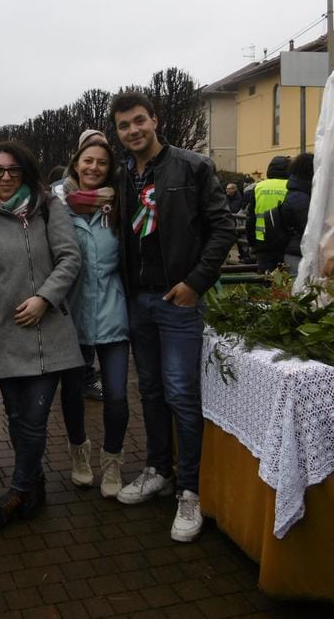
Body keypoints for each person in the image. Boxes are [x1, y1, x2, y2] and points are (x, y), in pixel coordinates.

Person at [111, 91, 236, 542]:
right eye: (124, 126)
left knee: (182, 393)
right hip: (138, 300)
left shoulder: (192, 166)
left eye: (139, 121)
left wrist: (196, 282)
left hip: (177, 300)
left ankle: (190, 489)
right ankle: (159, 469)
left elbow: (222, 227)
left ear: (155, 120)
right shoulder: (122, 175)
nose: (133, 131)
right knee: (150, 390)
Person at [0, 141, 83, 529]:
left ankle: (18, 491)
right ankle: (35, 486)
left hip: (47, 330)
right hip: (3, 332)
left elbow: (70, 258)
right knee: (16, 417)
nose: (5, 177)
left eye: (13, 170)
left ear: (26, 172)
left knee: (34, 418)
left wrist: (44, 299)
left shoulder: (49, 207)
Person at [60, 138, 131, 497]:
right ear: (76, 164)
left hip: (112, 312)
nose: (94, 168)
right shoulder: (58, 207)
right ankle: (79, 453)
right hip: (70, 315)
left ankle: (113, 461)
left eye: (102, 163)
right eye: (88, 160)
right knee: (72, 391)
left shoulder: (119, 207)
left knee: (116, 395)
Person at [51, 128, 109, 404]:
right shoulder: (58, 192)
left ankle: (85, 377)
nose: (94, 165)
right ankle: (73, 380)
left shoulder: (113, 194)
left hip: (99, 280)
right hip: (68, 277)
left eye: (102, 153)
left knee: (89, 334)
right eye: (89, 154)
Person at [245, 155, 291, 272]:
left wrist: (251, 241)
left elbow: (251, 217)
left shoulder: (258, 187)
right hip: (286, 240)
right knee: (286, 277)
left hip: (262, 240)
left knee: (265, 277)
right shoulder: (291, 186)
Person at [280, 153, 314, 274]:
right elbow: (308, 228)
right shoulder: (300, 197)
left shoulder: (297, 193)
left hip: (295, 250)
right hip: (298, 252)